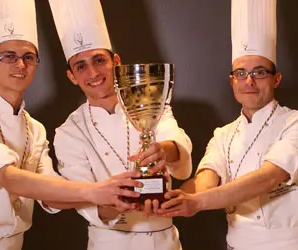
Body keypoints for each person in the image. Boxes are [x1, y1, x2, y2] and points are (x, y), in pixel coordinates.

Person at [0, 1, 143, 249]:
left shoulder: (35, 129)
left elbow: (52, 194)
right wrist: (96, 191)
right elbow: (8, 177)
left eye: (28, 57)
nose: (20, 65)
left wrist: (113, 200)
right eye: (9, 56)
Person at [155, 0, 298, 249]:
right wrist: (173, 199)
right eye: (241, 74)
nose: (249, 82)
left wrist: (198, 203)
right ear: (232, 81)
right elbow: (206, 180)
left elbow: (267, 178)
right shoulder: (223, 135)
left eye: (259, 72)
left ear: (276, 79)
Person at [48, 0, 193, 249]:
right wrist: (119, 202)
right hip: (110, 242)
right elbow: (81, 197)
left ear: (116, 61)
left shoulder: (150, 103)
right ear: (71, 76)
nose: (93, 73)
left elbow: (177, 145)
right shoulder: (68, 133)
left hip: (164, 241)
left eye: (99, 60)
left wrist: (163, 150)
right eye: (80, 66)